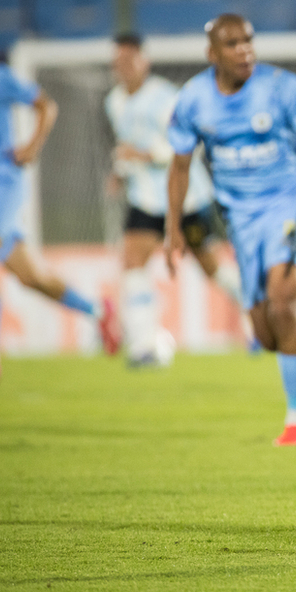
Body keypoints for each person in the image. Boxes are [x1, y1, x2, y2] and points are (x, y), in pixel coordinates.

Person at [166, 14, 296, 446]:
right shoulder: (194, 99)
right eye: (232, 44)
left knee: (281, 302)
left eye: (248, 40)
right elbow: (179, 166)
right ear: (212, 54)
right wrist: (172, 226)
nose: (245, 50)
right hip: (240, 221)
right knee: (268, 334)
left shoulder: (282, 89)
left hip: (288, 208)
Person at [105, 32, 246, 366]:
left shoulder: (167, 99)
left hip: (186, 198)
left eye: (129, 60)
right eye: (118, 61)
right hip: (144, 199)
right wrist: (121, 172)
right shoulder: (114, 102)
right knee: (132, 263)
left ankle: (262, 311)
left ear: (144, 62)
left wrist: (143, 155)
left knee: (212, 268)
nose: (123, 67)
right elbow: (128, 145)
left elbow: (188, 146)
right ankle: (145, 345)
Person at [0, 62, 121, 380]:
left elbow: (46, 106)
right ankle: (100, 311)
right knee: (30, 277)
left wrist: (32, 147)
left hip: (3, 181)